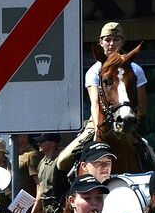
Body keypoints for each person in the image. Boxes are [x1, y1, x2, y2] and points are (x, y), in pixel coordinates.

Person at [57, 22, 149, 173]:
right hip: (98, 121)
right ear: (101, 42)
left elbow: (142, 103)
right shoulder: (94, 71)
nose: (111, 44)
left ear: (122, 42)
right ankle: (58, 196)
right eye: (107, 39)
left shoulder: (135, 69)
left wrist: (132, 121)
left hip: (128, 120)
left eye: (116, 39)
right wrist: (98, 129)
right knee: (61, 161)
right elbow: (94, 103)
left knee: (154, 162)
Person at [28, 133, 67, 213]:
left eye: (42, 141)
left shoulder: (61, 161)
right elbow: (40, 189)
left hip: (58, 207)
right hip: (45, 208)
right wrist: (35, 212)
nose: (38, 143)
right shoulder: (42, 162)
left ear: (52, 143)